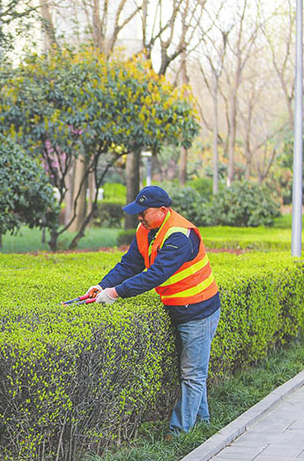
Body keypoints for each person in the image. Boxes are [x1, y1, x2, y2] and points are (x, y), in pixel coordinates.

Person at [84, 185, 221, 436]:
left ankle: (178, 434)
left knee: (192, 374)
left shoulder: (180, 236)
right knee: (192, 373)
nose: (139, 217)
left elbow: (155, 275)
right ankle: (203, 424)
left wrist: (115, 293)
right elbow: (130, 264)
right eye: (138, 213)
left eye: (143, 213)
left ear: (162, 210)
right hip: (179, 308)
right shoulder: (146, 229)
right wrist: (103, 285)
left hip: (199, 311)